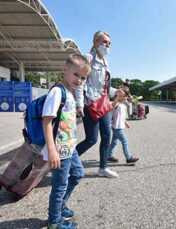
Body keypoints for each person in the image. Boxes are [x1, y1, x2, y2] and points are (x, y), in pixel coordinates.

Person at [42, 54, 91, 229]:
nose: (79, 80)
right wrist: (52, 150)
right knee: (59, 186)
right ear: (65, 70)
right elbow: (47, 121)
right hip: (59, 149)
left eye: (83, 77)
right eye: (76, 74)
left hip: (70, 147)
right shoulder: (58, 92)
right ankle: (54, 221)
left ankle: (61, 204)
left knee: (78, 174)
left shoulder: (70, 93)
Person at [75, 31, 123, 178]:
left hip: (104, 103)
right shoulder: (88, 58)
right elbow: (79, 82)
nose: (107, 45)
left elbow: (103, 86)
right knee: (91, 139)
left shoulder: (106, 63)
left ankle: (103, 168)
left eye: (109, 43)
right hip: (91, 103)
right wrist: (79, 104)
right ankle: (66, 160)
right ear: (95, 43)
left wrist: (117, 91)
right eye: (104, 42)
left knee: (107, 136)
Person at [107, 86, 139, 164]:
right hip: (117, 127)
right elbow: (113, 105)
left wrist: (126, 122)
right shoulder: (116, 103)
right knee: (124, 141)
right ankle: (128, 158)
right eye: (123, 96)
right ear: (119, 95)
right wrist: (118, 96)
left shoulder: (122, 104)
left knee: (114, 142)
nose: (125, 97)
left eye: (126, 96)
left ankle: (109, 155)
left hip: (118, 126)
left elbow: (121, 116)